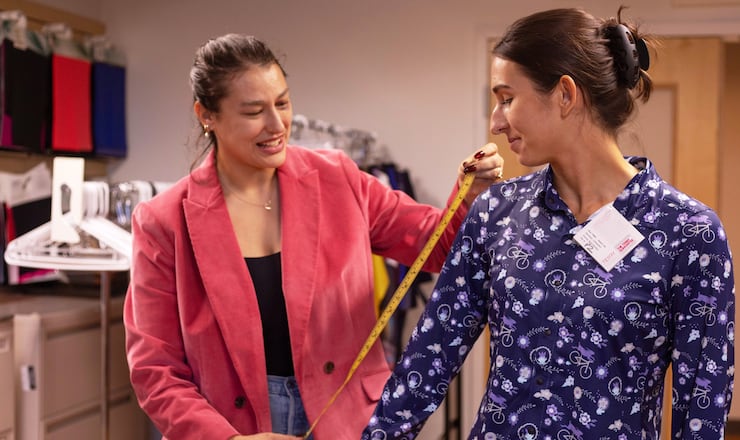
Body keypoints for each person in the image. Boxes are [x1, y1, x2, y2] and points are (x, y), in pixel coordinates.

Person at [362, 7, 735, 440]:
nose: (496, 123)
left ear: (565, 94)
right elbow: (428, 360)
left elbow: (702, 410)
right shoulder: (495, 213)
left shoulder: (688, 232)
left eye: (507, 98)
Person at [123, 33, 504, 440]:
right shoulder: (163, 220)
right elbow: (155, 367)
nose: (277, 125)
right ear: (207, 115)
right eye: (254, 111)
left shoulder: (336, 177)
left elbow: (438, 247)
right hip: (229, 427)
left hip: (345, 418)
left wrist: (468, 197)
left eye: (282, 103)